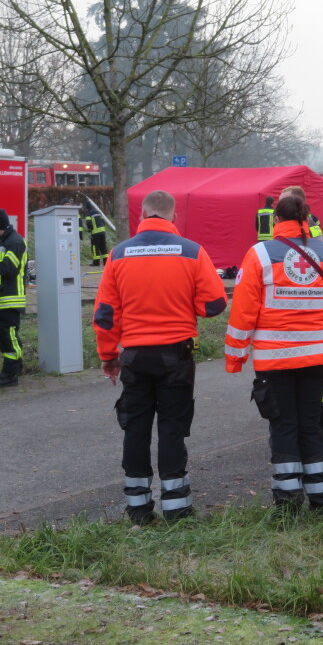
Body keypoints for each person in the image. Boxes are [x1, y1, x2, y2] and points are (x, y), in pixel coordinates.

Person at [93, 190, 227, 525]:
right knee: (172, 427)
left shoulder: (118, 255)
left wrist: (109, 356)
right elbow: (214, 304)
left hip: (135, 356)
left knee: (135, 429)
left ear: (142, 215)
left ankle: (138, 508)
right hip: (176, 355)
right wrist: (185, 303)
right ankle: (176, 507)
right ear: (173, 216)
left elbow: (106, 315)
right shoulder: (192, 252)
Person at [226, 194, 323, 518]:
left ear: (275, 219)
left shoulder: (259, 255)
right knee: (310, 427)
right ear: (307, 216)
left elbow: (243, 313)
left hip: (275, 362)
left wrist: (235, 357)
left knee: (283, 428)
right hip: (315, 360)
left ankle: (287, 503)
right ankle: (322, 501)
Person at [0, 209, 28, 388]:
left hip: (10, 301)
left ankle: (11, 374)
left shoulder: (15, 242)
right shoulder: (3, 241)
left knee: (9, 340)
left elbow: (8, 269)